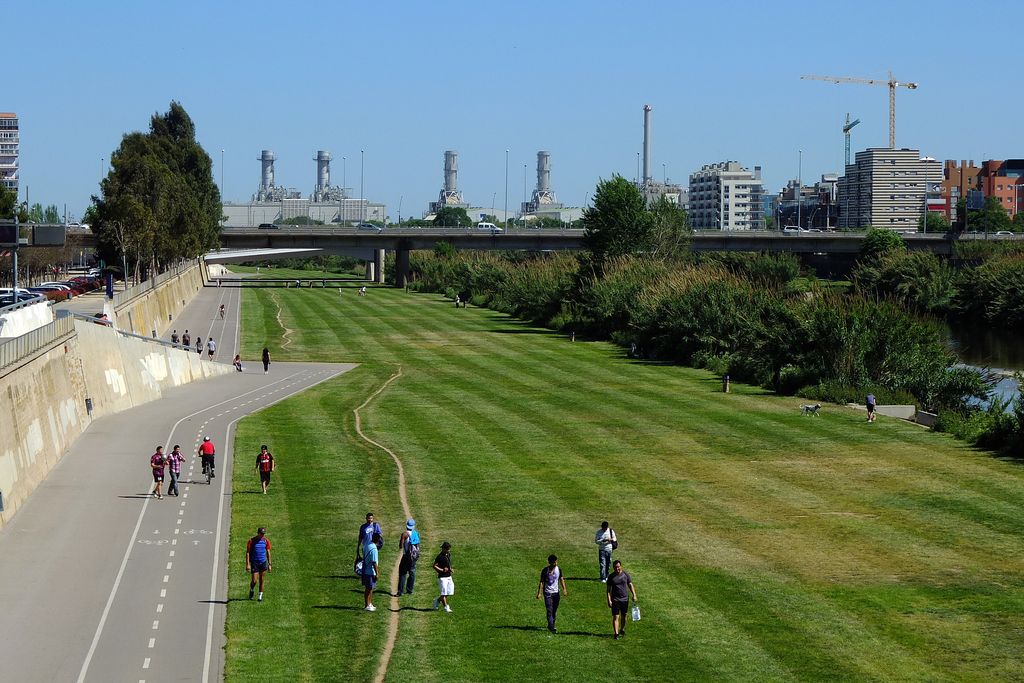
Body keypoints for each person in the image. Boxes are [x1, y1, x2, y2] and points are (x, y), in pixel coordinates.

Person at [536, 554, 568, 633]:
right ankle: (551, 626)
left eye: (556, 561)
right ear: (550, 562)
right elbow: (542, 582)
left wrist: (564, 589)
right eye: (554, 562)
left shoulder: (558, 569)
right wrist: (539, 593)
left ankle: (551, 624)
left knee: (554, 610)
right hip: (548, 593)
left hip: (556, 593)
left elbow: (561, 579)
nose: (555, 563)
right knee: (549, 610)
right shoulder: (545, 570)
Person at [606, 560, 638, 640]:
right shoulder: (611, 576)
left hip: (624, 599)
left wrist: (634, 595)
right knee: (616, 616)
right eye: (615, 567)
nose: (617, 568)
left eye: (618, 567)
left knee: (624, 616)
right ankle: (616, 634)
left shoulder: (625, 575)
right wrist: (609, 600)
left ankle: (622, 629)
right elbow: (608, 590)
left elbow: (630, 585)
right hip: (615, 599)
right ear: (613, 568)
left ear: (621, 566)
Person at [246, 527, 272, 601]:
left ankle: (260, 596)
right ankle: (251, 589)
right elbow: (248, 553)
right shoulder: (251, 541)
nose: (262, 535)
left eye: (263, 534)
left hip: (263, 562)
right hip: (255, 563)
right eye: (261, 534)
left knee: (262, 580)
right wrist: (247, 564)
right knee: (254, 580)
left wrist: (269, 564)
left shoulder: (266, 541)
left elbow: (268, 552)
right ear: (258, 533)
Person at [397, 519, 420, 596]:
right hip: (413, 557)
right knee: (412, 573)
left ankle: (400, 591)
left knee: (402, 573)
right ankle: (410, 590)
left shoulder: (404, 534)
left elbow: (400, 546)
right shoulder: (416, 533)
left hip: (406, 556)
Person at [432, 541, 454, 612]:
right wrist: (442, 570)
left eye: (449, 549)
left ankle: (437, 601)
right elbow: (434, 566)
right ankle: (446, 608)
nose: (448, 550)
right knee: (443, 593)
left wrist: (450, 569)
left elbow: (448, 563)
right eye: (447, 549)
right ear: (443, 549)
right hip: (442, 577)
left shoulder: (448, 554)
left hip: (449, 576)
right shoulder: (439, 556)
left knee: (449, 592)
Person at [361, 532, 381, 611]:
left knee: (370, 588)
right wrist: (377, 573)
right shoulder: (374, 549)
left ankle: (369, 603)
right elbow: (374, 562)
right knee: (369, 588)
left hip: (366, 569)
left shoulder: (367, 544)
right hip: (370, 572)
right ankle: (367, 605)